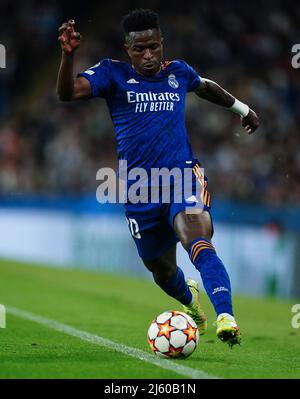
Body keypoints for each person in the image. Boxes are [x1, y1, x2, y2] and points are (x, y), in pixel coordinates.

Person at [57, 9, 259, 348]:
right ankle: (191, 301)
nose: (148, 55)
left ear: (161, 43)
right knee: (161, 271)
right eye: (139, 50)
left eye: (153, 47)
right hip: (138, 191)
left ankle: (227, 317)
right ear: (128, 50)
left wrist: (242, 108)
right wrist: (68, 55)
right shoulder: (112, 74)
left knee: (196, 239)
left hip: (182, 177)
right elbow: (67, 93)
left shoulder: (178, 72)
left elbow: (205, 87)